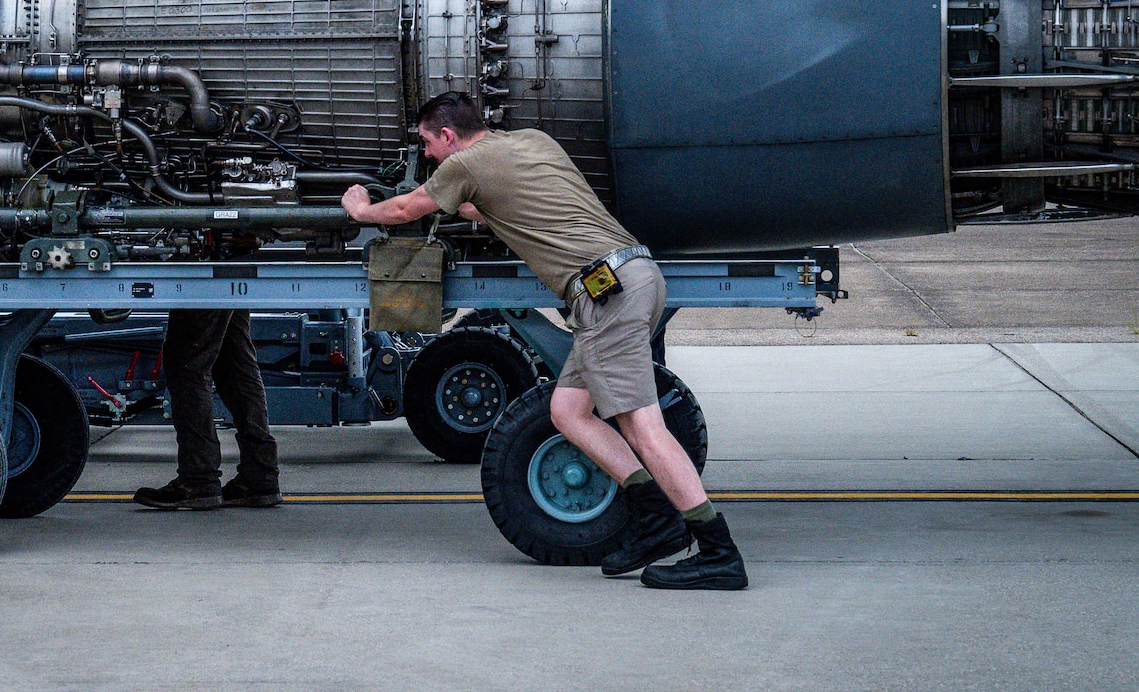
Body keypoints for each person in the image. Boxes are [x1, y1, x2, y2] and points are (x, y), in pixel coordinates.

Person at [341, 92, 747, 590]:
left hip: (606, 295)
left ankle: (717, 550)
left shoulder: (463, 163)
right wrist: (465, 207)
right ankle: (655, 521)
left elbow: (405, 208)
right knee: (569, 412)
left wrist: (361, 209)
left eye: (427, 142)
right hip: (631, 276)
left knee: (643, 426)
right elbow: (503, 209)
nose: (425, 154)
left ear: (447, 136)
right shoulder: (531, 142)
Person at [131, 307, 282, 510]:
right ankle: (260, 475)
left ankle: (197, 479)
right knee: (233, 359)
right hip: (229, 277)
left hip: (203, 279)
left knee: (187, 362)